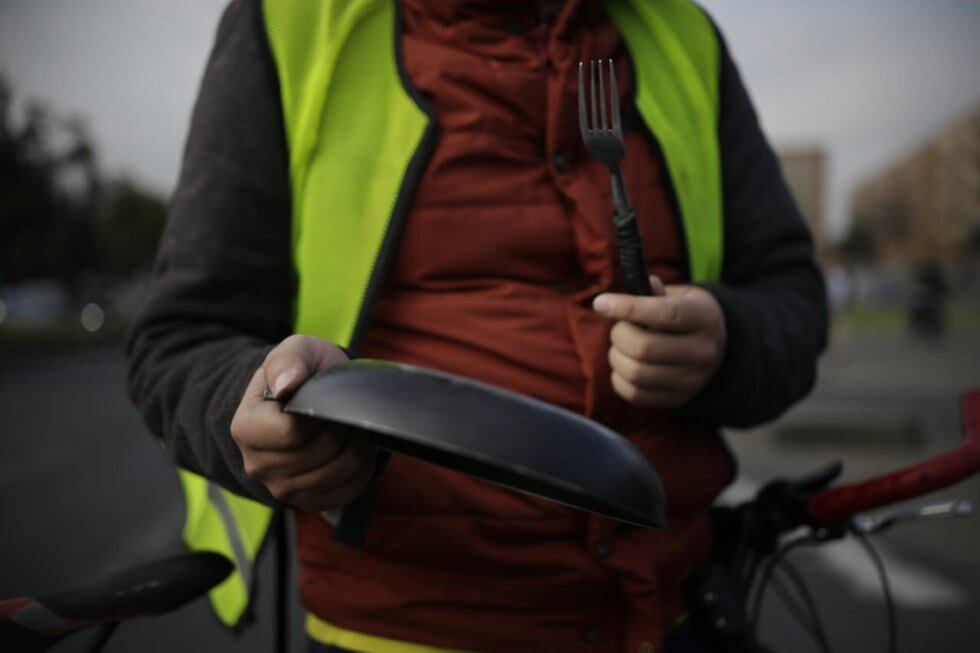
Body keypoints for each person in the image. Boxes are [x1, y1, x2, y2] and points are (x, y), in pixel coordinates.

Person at [126, 0, 827, 651]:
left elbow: (793, 298)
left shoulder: (684, 35)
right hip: (398, 628)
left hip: (673, 615)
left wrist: (727, 339)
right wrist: (251, 409)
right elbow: (181, 338)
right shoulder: (289, 21)